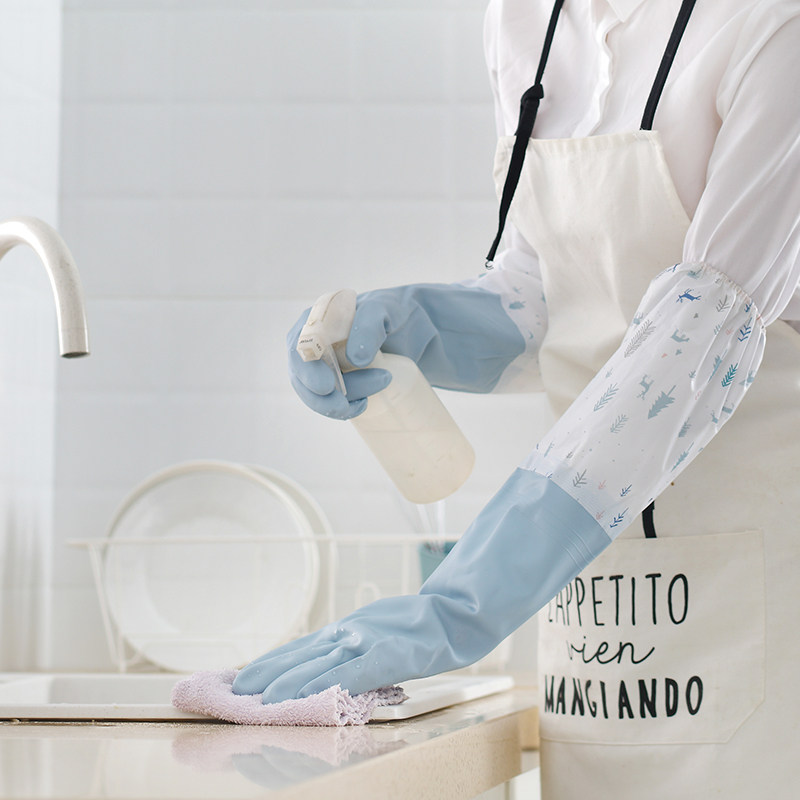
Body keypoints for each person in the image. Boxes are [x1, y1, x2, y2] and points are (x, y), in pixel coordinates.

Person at [234, 1, 800, 796]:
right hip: (589, 596)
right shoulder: (523, 20)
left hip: (758, 579)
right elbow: (548, 292)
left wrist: (463, 603)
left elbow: (701, 332)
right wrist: (422, 324)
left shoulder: (773, 25)